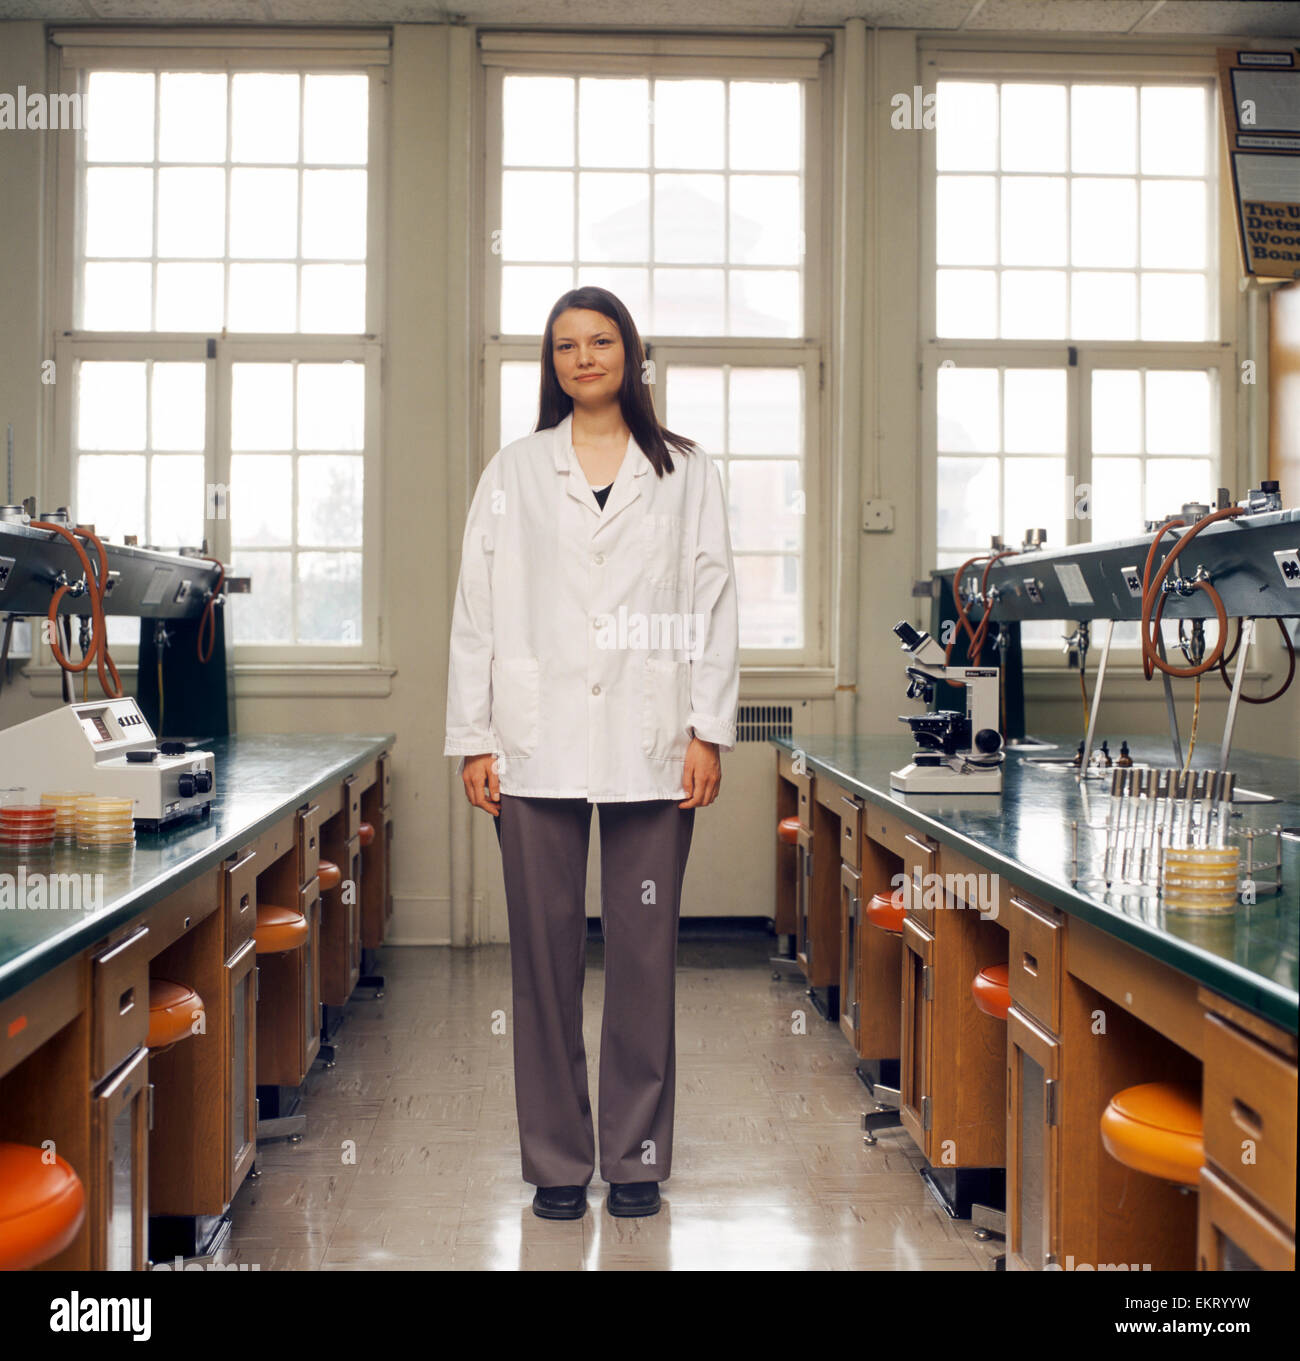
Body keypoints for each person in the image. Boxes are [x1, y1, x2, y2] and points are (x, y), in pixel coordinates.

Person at [444, 285, 740, 1220]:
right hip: (535, 742)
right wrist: (473, 738)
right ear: (552, 362)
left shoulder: (687, 470)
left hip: (652, 740)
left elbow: (715, 601)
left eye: (601, 341)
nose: (584, 358)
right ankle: (559, 1164)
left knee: (645, 955)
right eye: (566, 345)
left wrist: (706, 729)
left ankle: (639, 1156)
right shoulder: (515, 471)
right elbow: (475, 609)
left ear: (630, 354)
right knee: (543, 957)